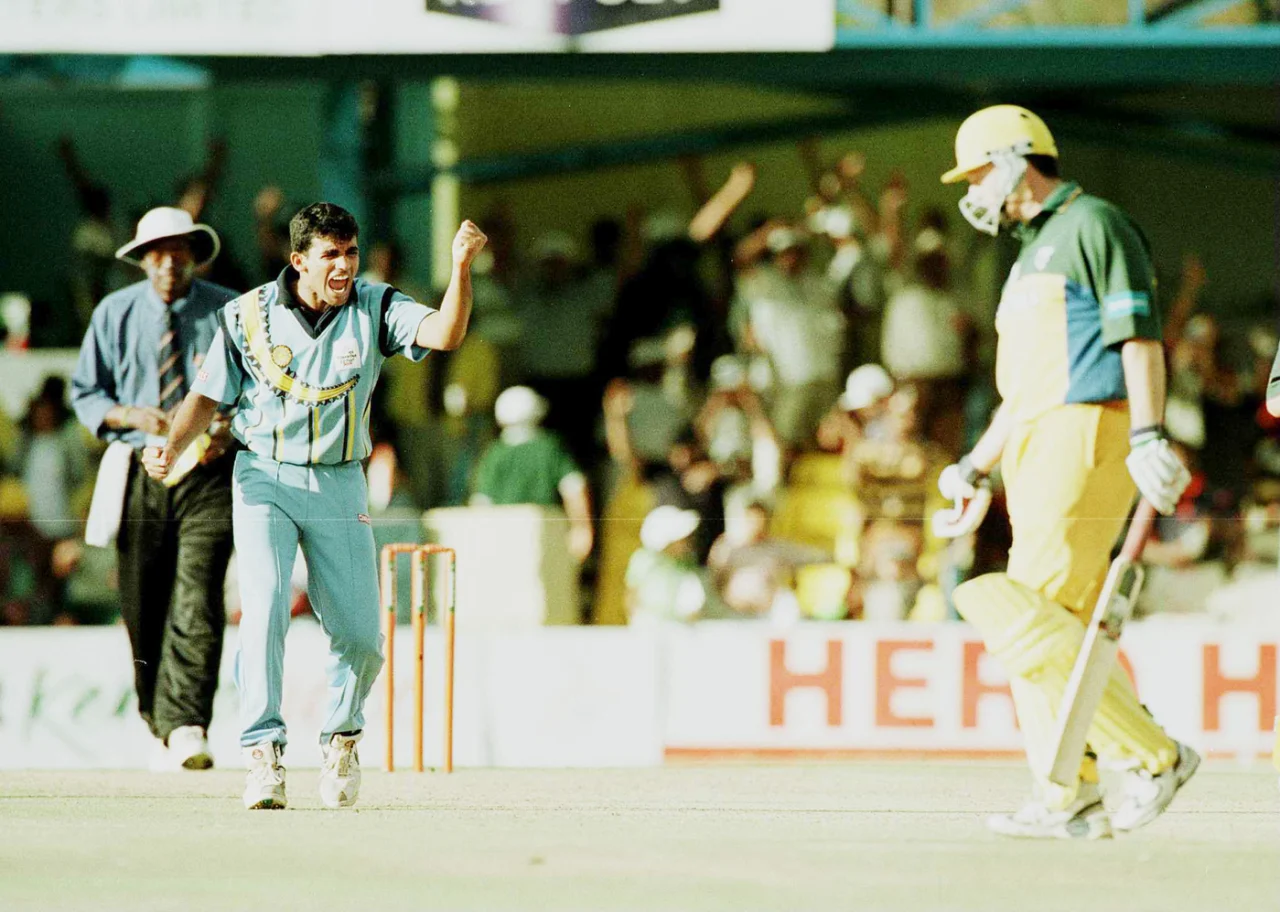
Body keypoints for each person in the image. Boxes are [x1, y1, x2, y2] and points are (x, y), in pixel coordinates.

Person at [142, 202, 486, 811]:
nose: (344, 266)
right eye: (330, 254)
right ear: (298, 259)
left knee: (360, 633)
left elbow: (447, 334)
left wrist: (460, 268)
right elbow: (206, 395)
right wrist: (171, 446)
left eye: (350, 252)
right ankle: (263, 756)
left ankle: (341, 739)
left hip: (340, 479)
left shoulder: (376, 306)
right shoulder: (246, 315)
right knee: (267, 605)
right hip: (263, 477)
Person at [935, 105, 1196, 839]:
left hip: (1086, 432)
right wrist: (974, 469)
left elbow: (1139, 338)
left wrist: (1148, 433)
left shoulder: (1092, 225)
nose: (974, 189)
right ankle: (1067, 792)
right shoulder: (1028, 253)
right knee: (1051, 625)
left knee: (1020, 610)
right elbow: (1023, 391)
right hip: (1033, 440)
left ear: (1018, 159)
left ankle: (1152, 757)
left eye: (979, 171)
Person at [71, 207, 239, 770]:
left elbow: (260, 386)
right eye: (157, 252)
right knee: (142, 600)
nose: (169, 262)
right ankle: (156, 717)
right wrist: (127, 414)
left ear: (195, 251)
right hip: (138, 467)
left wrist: (228, 429)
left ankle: (189, 721)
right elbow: (85, 393)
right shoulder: (114, 313)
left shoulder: (228, 311)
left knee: (199, 591)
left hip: (209, 471)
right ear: (142, 259)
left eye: (179, 249)